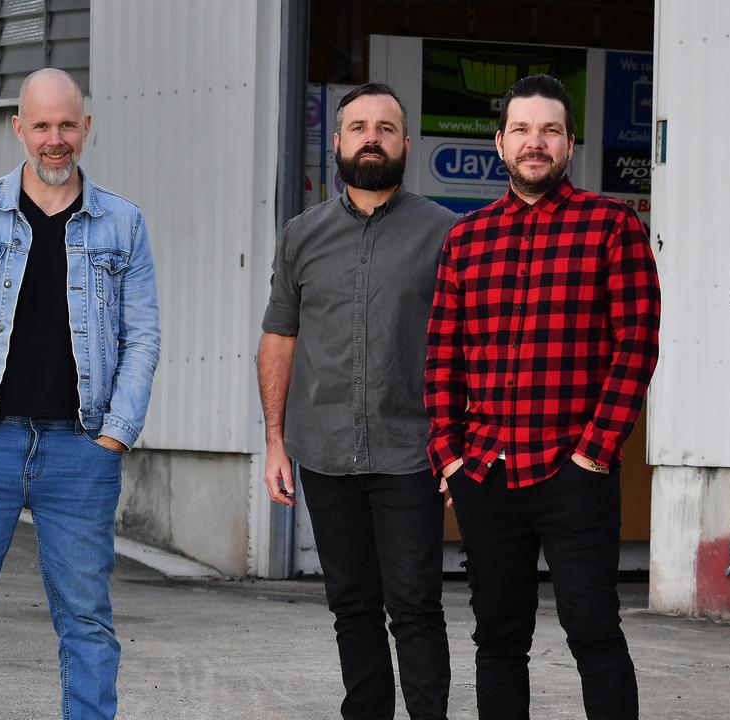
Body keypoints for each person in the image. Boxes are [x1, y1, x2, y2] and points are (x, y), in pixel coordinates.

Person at [0, 68, 160, 719]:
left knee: (87, 622)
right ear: (19, 128)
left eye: (67, 125)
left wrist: (115, 435)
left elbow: (143, 336)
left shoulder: (123, 225)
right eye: (41, 125)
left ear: (86, 128)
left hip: (80, 451)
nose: (55, 139)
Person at [424, 74, 661, 720]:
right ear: (499, 144)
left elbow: (635, 346)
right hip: (487, 473)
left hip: (573, 472)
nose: (536, 143)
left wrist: (594, 453)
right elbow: (441, 358)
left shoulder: (611, 227)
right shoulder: (466, 241)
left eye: (550, 131)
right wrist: (449, 455)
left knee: (593, 632)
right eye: (523, 130)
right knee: (498, 640)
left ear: (569, 143)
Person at [258, 82, 457, 720]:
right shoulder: (300, 236)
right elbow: (279, 339)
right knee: (351, 604)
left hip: (412, 451)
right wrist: (274, 443)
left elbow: (468, 349)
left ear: (406, 144)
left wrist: (460, 447)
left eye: (387, 128)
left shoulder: (448, 234)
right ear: (337, 141)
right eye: (359, 126)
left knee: (417, 605)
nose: (372, 137)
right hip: (323, 451)